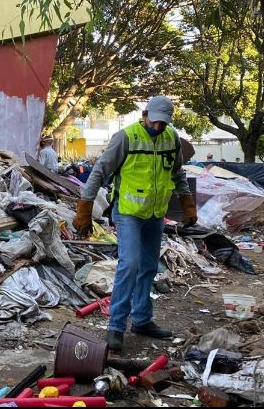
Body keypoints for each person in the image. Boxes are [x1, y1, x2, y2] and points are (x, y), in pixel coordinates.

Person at [72, 96, 197, 352]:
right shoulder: (126, 137)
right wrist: (85, 208)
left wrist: (187, 203)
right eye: (155, 121)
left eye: (164, 123)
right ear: (145, 114)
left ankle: (141, 320)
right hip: (128, 212)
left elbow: (177, 173)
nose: (158, 127)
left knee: (149, 266)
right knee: (129, 264)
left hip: (155, 214)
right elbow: (99, 171)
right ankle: (116, 327)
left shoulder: (171, 138)